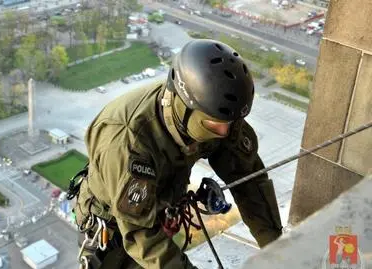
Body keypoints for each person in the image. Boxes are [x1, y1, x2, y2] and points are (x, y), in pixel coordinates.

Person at [71, 39, 283, 269]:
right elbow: (141, 233)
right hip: (113, 230)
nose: (225, 132)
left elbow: (249, 181)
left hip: (157, 209)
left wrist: (279, 250)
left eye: (231, 123)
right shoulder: (128, 139)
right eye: (215, 125)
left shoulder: (218, 116)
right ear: (185, 109)